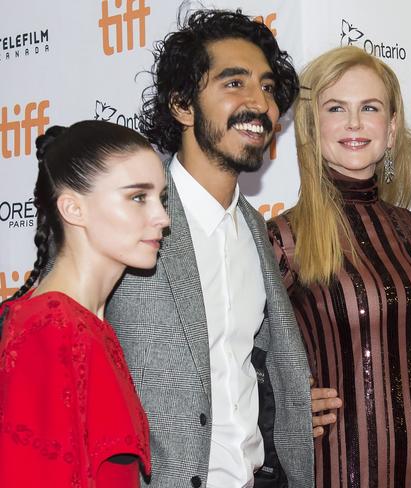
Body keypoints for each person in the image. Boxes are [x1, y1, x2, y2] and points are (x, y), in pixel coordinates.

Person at [105, 9, 339, 488]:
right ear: (183, 106)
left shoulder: (255, 230)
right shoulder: (124, 216)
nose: (260, 103)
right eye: (234, 84)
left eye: (269, 88)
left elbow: (241, 366)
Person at [267, 46, 411, 488]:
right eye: (336, 108)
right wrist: (280, 404)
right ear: (311, 128)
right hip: (339, 468)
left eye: (369, 107)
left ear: (391, 127)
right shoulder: (283, 237)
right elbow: (226, 353)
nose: (353, 123)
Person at [0, 120, 169, 487]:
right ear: (73, 209)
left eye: (161, 198)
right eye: (138, 197)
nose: (163, 218)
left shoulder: (85, 325)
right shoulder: (52, 327)